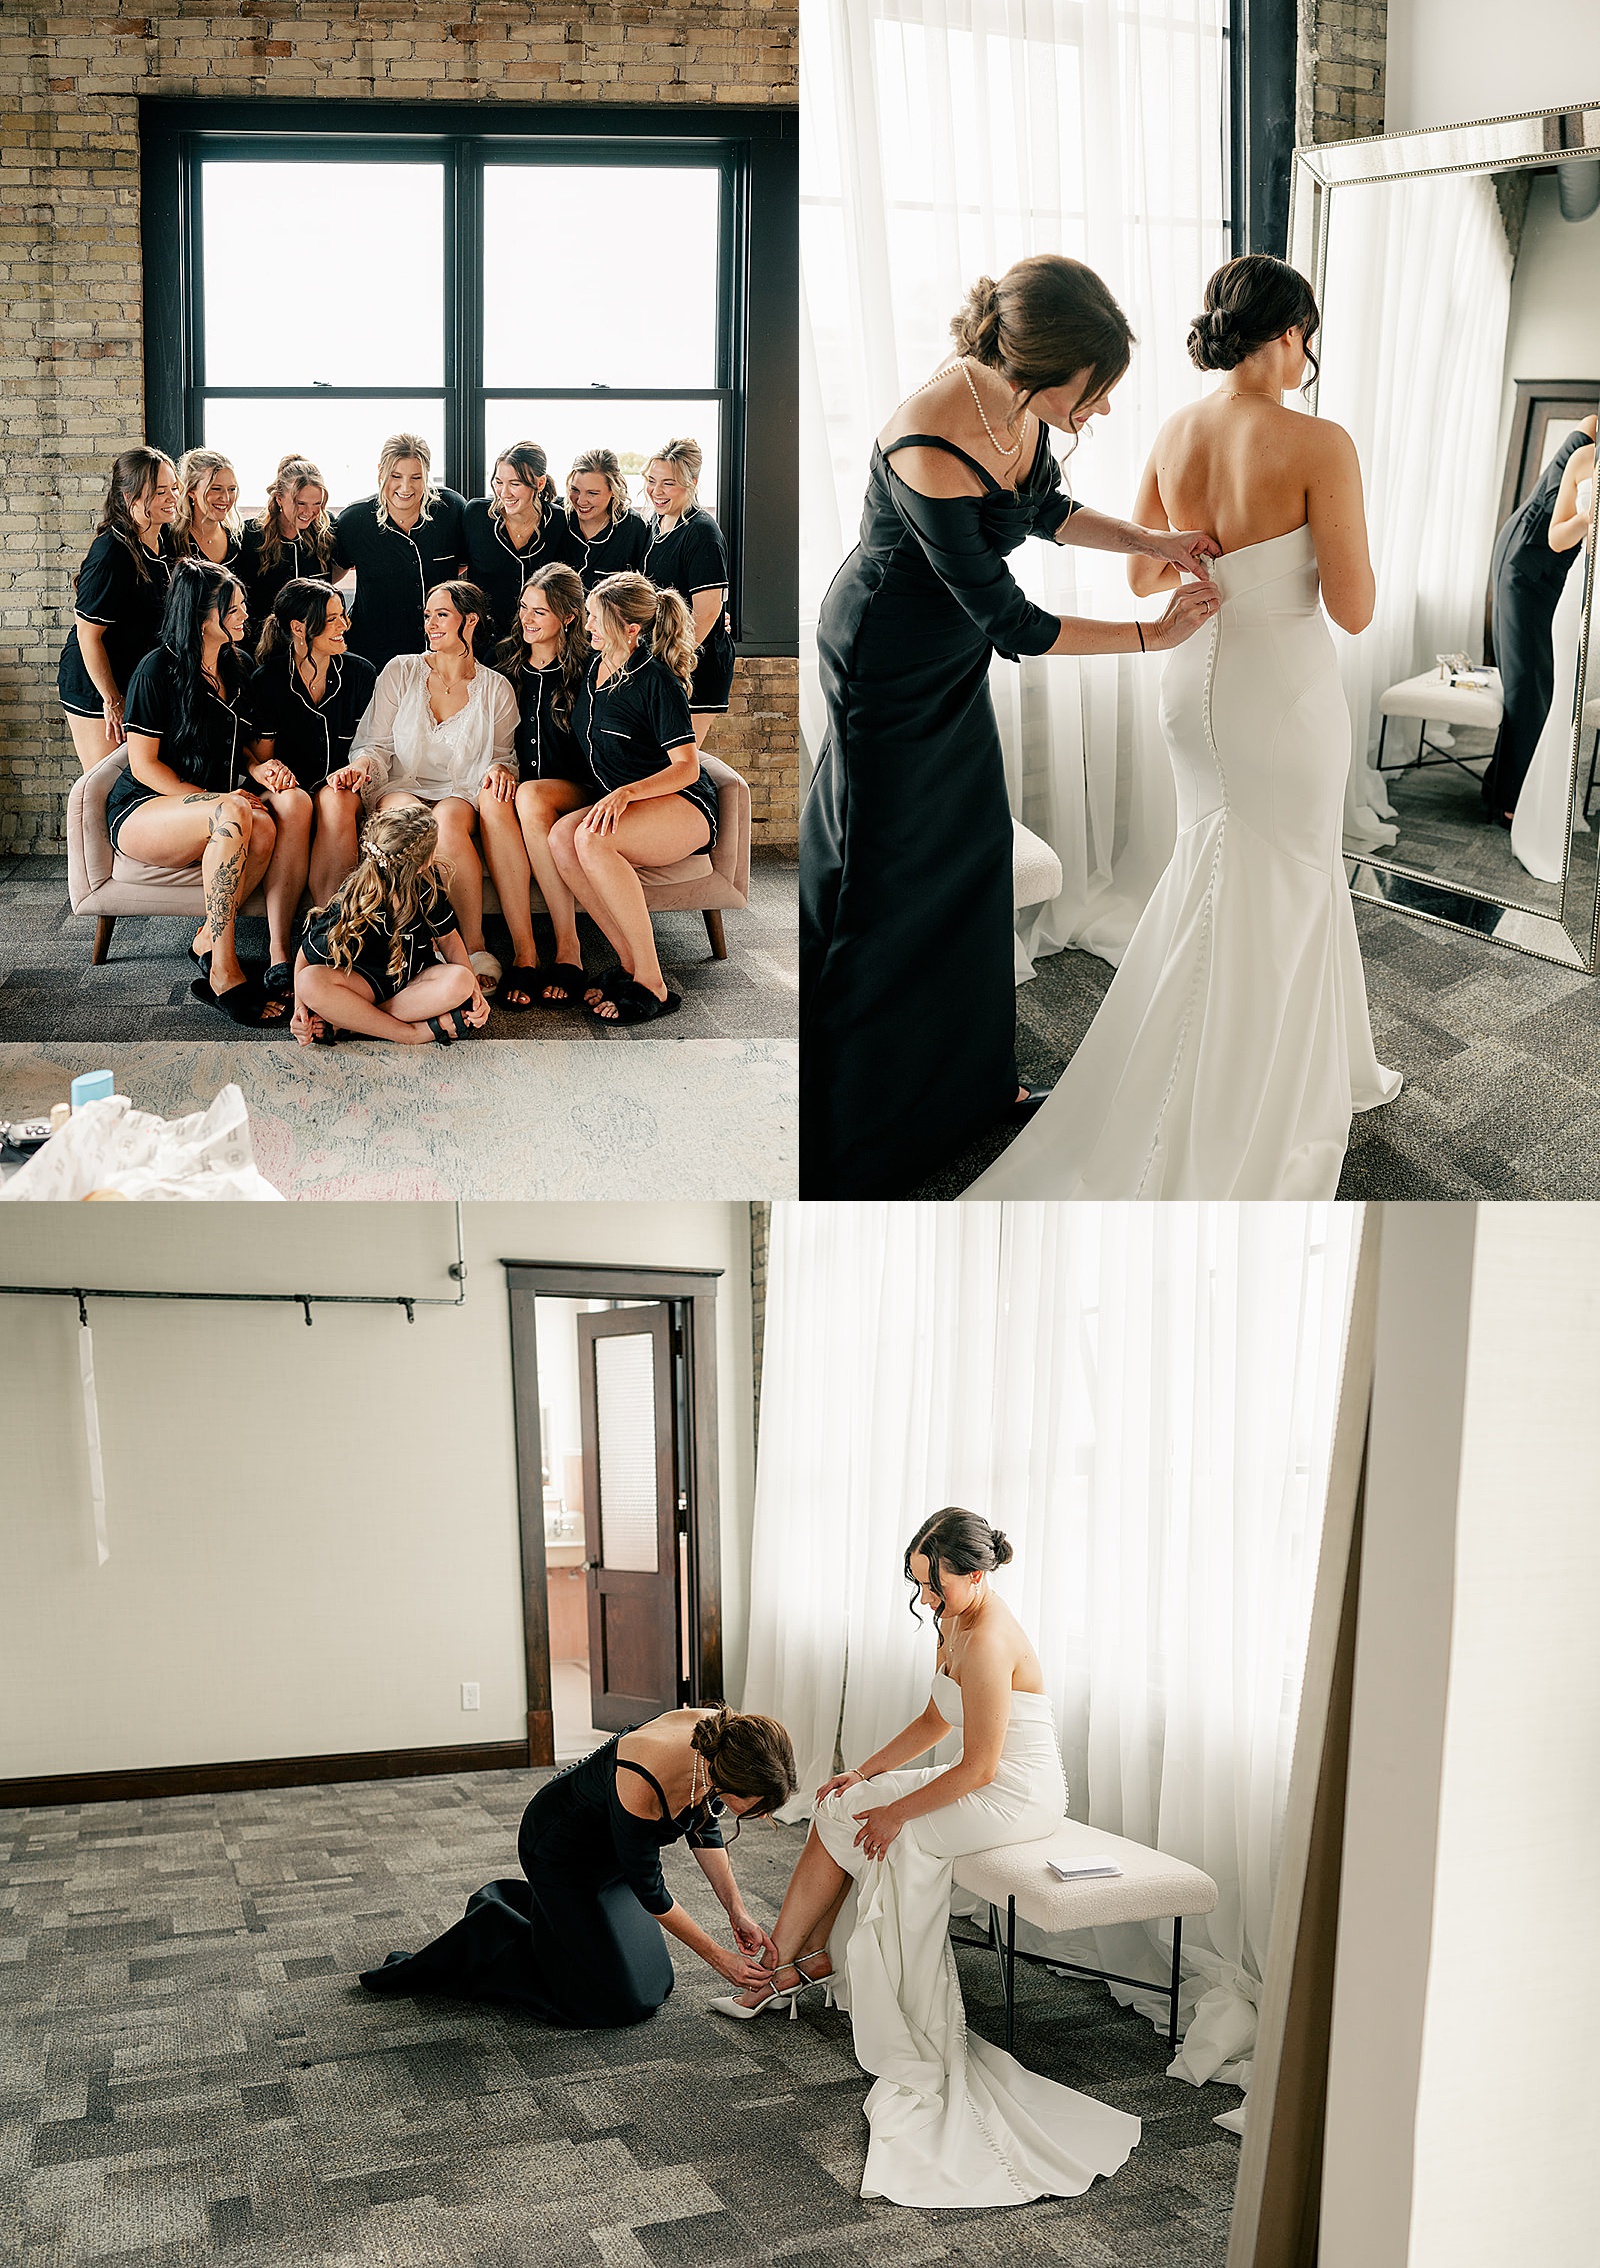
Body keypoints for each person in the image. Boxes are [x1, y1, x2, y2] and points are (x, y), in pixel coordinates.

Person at [967, 255, 1401, 1201]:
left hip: (1190, 677)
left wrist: (1217, 562)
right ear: (1289, 334)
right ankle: (1250, 1087)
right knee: (1286, 877)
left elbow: (1141, 579)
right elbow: (1357, 609)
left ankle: (1288, 1059)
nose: (1309, 357)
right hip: (1280, 691)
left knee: (1219, 867)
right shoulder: (1320, 444)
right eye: (1308, 338)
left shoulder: (1176, 429)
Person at [800, 255, 1221, 1198]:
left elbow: (1045, 512)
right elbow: (1015, 623)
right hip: (885, 666)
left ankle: (968, 1093)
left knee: (973, 859)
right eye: (1098, 389)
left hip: (948, 660)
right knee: (884, 883)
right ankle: (854, 1128)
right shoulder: (927, 436)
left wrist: (1152, 542)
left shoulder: (1017, 408)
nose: (1103, 409)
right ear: (1050, 363)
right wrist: (1153, 633)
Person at [713, 1510, 1140, 2209]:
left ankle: (821, 1969)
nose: (926, 1603)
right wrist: (865, 1774)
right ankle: (789, 1964)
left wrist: (896, 1811)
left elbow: (978, 1767)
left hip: (1017, 1795)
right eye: (919, 1588)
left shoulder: (991, 1638)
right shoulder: (953, 1621)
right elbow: (937, 1719)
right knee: (836, 1808)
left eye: (935, 1588)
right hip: (981, 1778)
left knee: (895, 1836)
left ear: (974, 1573)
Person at [358, 1705, 796, 2026]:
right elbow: (650, 1889)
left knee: (654, 1983)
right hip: (559, 1852)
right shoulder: (646, 1775)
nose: (758, 1817)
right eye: (756, 1807)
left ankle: (541, 1914)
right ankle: (493, 1927)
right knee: (615, 2003)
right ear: (727, 1777)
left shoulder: (722, 1744)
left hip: (613, 1856)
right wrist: (718, 1958)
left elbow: (705, 1825)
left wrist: (736, 1911)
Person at [104, 559, 295, 1027]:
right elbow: (143, 764)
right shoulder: (156, 670)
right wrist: (215, 801)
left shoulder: (237, 665)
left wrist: (257, 766)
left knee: (266, 826)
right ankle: (225, 973)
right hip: (143, 809)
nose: (245, 615)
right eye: (234, 608)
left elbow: (238, 744)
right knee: (234, 810)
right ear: (200, 616)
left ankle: (206, 940)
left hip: (209, 806)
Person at [545, 571, 713, 1025]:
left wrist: (626, 793)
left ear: (632, 629)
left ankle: (654, 983)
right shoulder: (595, 670)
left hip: (683, 803)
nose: (588, 627)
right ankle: (631, 965)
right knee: (562, 836)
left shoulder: (657, 680)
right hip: (631, 802)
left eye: (597, 619)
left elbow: (687, 767)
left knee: (592, 840)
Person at [342, 578, 522, 995]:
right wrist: (363, 765)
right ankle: (397, 944)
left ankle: (473, 947)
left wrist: (500, 771)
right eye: (428, 615)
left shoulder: (496, 688)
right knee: (410, 822)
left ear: (470, 620)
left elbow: (501, 756)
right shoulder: (401, 670)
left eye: (442, 615)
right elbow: (375, 742)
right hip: (401, 782)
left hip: (460, 787)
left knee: (449, 824)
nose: (431, 624)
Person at [291, 801, 489, 1047]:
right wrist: (298, 1010)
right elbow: (305, 955)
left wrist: (475, 994)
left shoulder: (428, 884)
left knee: (461, 981)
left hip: (414, 983)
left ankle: (350, 1022)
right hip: (364, 983)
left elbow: (448, 938)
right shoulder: (355, 895)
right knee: (309, 981)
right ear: (422, 862)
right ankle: (414, 1033)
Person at [1481, 414, 1598, 824]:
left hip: (1548, 568)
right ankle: (1510, 799)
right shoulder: (1588, 436)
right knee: (1528, 683)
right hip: (1526, 561)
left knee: (1535, 682)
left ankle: (1499, 783)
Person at [493, 563, 600, 1009]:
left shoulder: (590, 671)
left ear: (569, 617)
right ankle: (525, 954)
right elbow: (488, 733)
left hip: (580, 788)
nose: (527, 619)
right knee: (512, 796)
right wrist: (498, 765)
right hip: (524, 794)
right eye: (524, 608)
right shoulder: (506, 666)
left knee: (532, 795)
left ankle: (568, 949)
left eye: (540, 611)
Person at [248, 578, 377, 907]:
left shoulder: (360, 674)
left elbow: (369, 746)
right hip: (288, 791)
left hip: (339, 788)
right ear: (299, 627)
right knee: (296, 802)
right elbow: (265, 761)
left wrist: (353, 770)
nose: (343, 625)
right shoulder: (268, 680)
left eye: (342, 615)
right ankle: (281, 948)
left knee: (337, 798)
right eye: (331, 619)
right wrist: (278, 777)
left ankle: (329, 924)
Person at [57, 445, 179, 773]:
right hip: (96, 682)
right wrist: (111, 700)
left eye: (173, 489)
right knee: (104, 786)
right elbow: (88, 635)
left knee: (135, 780)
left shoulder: (165, 540)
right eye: (160, 492)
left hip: (134, 680)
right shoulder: (110, 553)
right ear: (129, 498)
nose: (171, 498)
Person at [1511, 442, 1596, 884]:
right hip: (1581, 588)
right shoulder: (1585, 459)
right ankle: (1547, 827)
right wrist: (1587, 518)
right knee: (1564, 706)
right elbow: (1555, 536)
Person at [334, 432, 469, 674]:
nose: (405, 487)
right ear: (380, 471)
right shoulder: (354, 520)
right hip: (374, 655)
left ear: (426, 475)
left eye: (416, 477)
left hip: (440, 653)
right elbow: (333, 574)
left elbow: (461, 565)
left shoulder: (452, 509)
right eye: (395, 476)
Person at [641, 439, 735, 749]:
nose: (657, 491)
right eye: (652, 481)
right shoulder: (656, 522)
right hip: (664, 659)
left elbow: (707, 613)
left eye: (669, 483)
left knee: (679, 765)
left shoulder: (701, 533)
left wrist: (672, 662)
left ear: (692, 483)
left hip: (695, 665)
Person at [463, 441, 566, 641]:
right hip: (483, 641)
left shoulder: (558, 521)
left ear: (540, 483)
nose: (504, 493)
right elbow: (459, 569)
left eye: (515, 484)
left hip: (539, 641)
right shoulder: (476, 515)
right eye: (499, 482)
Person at [238, 456, 338, 644]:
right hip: (261, 645)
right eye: (300, 503)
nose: (309, 512)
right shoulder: (249, 535)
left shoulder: (327, 530)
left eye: (317, 504)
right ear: (279, 499)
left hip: (315, 642)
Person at [556, 446, 649, 588]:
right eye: (575, 490)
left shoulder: (635, 528)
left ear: (613, 489)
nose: (580, 501)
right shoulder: (556, 516)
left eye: (592, 493)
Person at [170, 448, 243, 572]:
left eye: (231, 489)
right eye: (215, 488)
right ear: (191, 491)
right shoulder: (171, 540)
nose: (226, 498)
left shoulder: (239, 539)